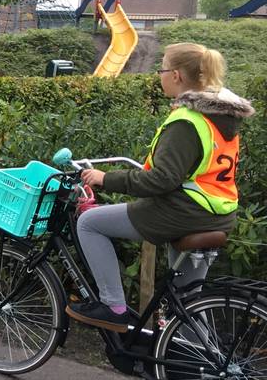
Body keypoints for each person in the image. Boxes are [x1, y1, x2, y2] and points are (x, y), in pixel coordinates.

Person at [69, 42, 255, 335]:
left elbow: (161, 180)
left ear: (178, 75)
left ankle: (112, 307)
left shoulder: (187, 121)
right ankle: (195, 369)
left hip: (184, 211)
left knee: (90, 223)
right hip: (217, 213)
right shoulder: (221, 117)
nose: (160, 74)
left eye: (162, 68)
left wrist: (106, 179)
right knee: (186, 300)